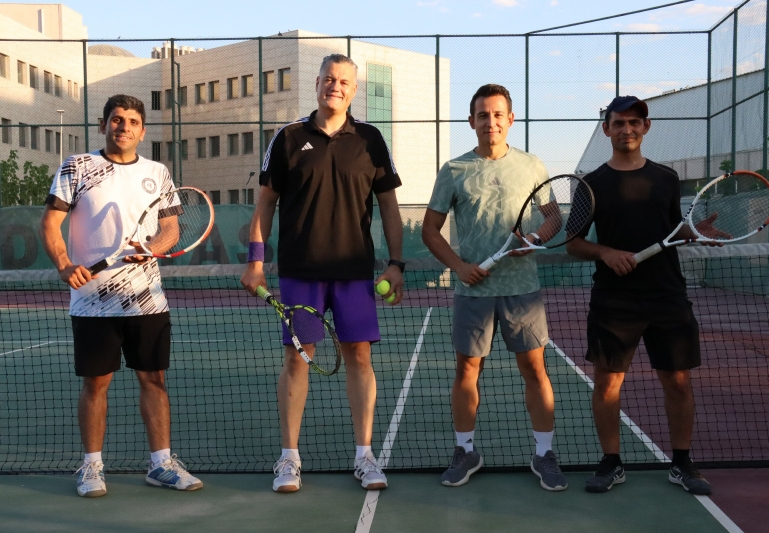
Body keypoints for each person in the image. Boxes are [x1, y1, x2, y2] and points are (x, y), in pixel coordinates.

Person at [240, 54, 404, 493]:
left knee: (360, 358)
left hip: (354, 275)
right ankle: (289, 458)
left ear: (354, 90)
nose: (336, 86)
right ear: (317, 84)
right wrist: (255, 261)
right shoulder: (288, 137)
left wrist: (396, 263)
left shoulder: (371, 140)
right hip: (301, 274)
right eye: (329, 79)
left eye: (344, 81)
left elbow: (389, 206)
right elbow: (265, 203)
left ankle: (364, 456)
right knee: (298, 358)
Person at [39, 94, 203, 497]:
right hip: (92, 301)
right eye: (116, 119)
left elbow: (170, 230)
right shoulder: (77, 167)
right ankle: (92, 467)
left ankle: (161, 465)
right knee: (96, 384)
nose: (123, 127)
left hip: (147, 299)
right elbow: (50, 223)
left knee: (154, 380)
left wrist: (151, 248)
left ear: (142, 131)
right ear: (103, 125)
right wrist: (64, 264)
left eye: (132, 121)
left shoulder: (157, 172)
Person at [421, 84, 568, 491]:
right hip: (474, 292)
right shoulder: (454, 170)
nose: (491, 122)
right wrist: (459, 267)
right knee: (467, 371)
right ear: (472, 121)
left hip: (522, 289)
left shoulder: (532, 165)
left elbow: (553, 218)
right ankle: (465, 450)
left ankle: (544, 454)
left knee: (534, 369)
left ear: (510, 119)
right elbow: (430, 230)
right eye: (483, 115)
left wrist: (534, 240)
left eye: (498, 114)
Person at [565, 95, 713, 495]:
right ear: (607, 129)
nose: (627, 129)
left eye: (634, 122)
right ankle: (611, 462)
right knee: (607, 384)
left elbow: (672, 231)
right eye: (619, 123)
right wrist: (606, 253)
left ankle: (682, 463)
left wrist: (696, 233)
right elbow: (573, 243)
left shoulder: (666, 178)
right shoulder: (590, 185)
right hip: (615, 300)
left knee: (677, 382)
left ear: (646, 127)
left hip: (667, 295)